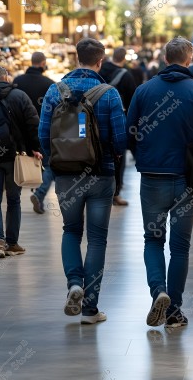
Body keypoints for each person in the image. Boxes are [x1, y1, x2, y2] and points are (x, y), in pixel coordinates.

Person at [126, 37, 193, 329]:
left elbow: (129, 132)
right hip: (187, 178)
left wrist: (143, 157)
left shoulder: (144, 90)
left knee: (152, 239)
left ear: (164, 58)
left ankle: (157, 291)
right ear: (190, 59)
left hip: (152, 178)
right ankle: (173, 311)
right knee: (180, 246)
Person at [39, 38, 126, 324]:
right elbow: (120, 138)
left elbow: (43, 135)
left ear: (77, 58)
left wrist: (56, 161)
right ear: (100, 61)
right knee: (97, 239)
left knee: (71, 231)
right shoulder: (110, 94)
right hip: (101, 174)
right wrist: (111, 158)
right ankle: (90, 308)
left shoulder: (55, 91)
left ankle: (74, 284)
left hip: (66, 175)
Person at [0, 66, 42, 258]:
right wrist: (35, 148)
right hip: (14, 155)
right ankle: (12, 242)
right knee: (14, 199)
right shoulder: (19, 96)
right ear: (6, 77)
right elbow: (32, 123)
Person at [13, 51, 55, 214]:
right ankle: (39, 193)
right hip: (42, 131)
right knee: (49, 165)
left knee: (17, 164)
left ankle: (15, 196)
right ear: (43, 63)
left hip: (18, 133)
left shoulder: (18, 81)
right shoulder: (48, 83)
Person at [100, 47, 137, 206]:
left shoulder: (99, 71)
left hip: (96, 121)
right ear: (124, 58)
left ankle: (97, 190)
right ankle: (115, 193)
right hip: (118, 121)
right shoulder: (126, 76)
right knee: (118, 157)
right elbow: (133, 102)